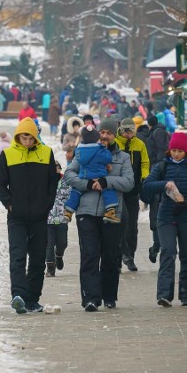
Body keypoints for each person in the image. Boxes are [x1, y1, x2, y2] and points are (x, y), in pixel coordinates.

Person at [64, 116, 134, 311]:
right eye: (102, 132)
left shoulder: (123, 158)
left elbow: (129, 182)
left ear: (115, 136)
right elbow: (69, 175)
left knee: (111, 255)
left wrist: (106, 182)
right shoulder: (84, 153)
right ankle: (90, 298)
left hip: (112, 211)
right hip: (86, 210)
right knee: (89, 254)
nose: (104, 136)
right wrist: (86, 184)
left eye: (109, 133)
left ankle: (109, 296)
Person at [0, 117, 59, 314]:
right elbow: (1, 184)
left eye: (31, 138)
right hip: (17, 217)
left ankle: (33, 299)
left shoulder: (46, 153)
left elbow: (52, 183)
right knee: (17, 256)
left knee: (38, 259)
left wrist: (47, 205)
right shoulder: (8, 155)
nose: (27, 141)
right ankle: (19, 296)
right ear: (18, 136)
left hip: (40, 216)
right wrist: (9, 204)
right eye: (24, 137)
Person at [141, 131, 187, 307]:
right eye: (173, 150)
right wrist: (164, 185)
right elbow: (147, 185)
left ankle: (186, 294)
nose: (176, 154)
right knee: (168, 252)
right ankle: (164, 294)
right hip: (166, 216)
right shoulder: (162, 166)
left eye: (180, 151)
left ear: (186, 151)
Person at [63, 125, 120, 224]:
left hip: (84, 176)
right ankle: (110, 212)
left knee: (76, 191)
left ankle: (68, 211)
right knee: (108, 190)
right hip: (99, 176)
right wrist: (104, 149)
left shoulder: (79, 151)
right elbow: (107, 159)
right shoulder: (99, 150)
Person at [114, 117, 150, 272]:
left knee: (132, 225)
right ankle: (119, 255)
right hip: (117, 190)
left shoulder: (139, 144)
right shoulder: (115, 144)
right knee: (119, 223)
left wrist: (144, 177)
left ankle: (130, 255)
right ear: (121, 130)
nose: (129, 134)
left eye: (131, 131)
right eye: (127, 131)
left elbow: (145, 162)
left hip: (133, 190)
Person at [144, 115, 170, 261]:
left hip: (157, 172)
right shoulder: (162, 132)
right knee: (156, 213)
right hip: (158, 175)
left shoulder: (157, 133)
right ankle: (156, 247)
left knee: (157, 213)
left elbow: (160, 150)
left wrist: (158, 164)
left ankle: (157, 247)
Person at [46, 161, 72, 277]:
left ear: (59, 169)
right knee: (49, 243)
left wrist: (70, 210)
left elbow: (72, 197)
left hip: (62, 217)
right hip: (47, 218)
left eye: (55, 167)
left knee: (62, 243)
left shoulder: (66, 182)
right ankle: (50, 268)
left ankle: (59, 255)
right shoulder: (44, 182)